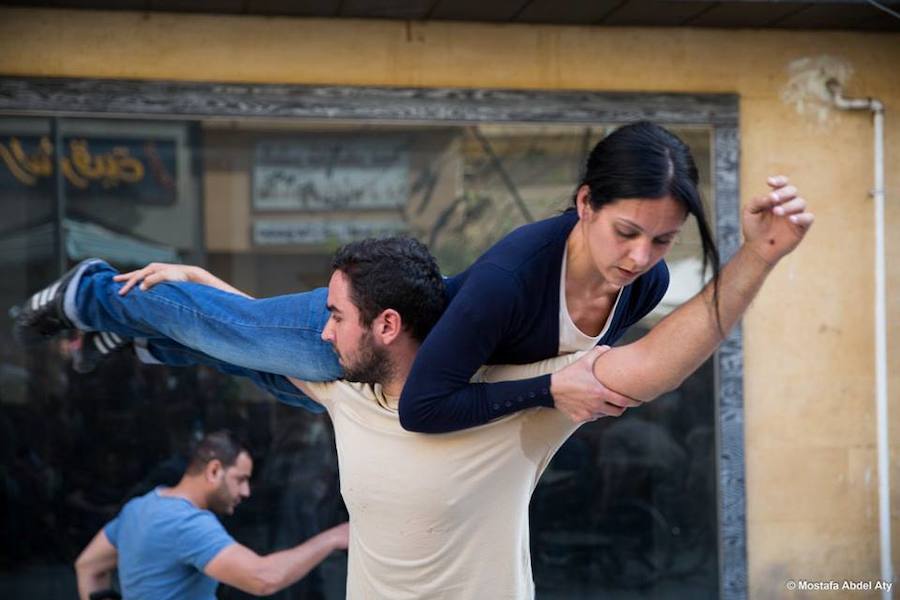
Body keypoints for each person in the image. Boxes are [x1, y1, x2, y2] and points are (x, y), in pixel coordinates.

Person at [14, 122, 813, 432]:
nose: (641, 258)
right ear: (583, 204)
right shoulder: (511, 278)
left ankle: (136, 327)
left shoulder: (637, 282)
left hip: (385, 378)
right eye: (626, 232)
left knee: (233, 346)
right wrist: (546, 390)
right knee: (220, 328)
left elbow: (661, 357)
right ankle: (92, 292)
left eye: (663, 241)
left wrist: (759, 253)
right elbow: (426, 407)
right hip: (372, 347)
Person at [74, 430, 349, 600]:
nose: (246, 492)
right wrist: (333, 537)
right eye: (240, 479)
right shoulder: (188, 523)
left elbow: (88, 566)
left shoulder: (140, 507)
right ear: (214, 470)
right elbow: (263, 578)